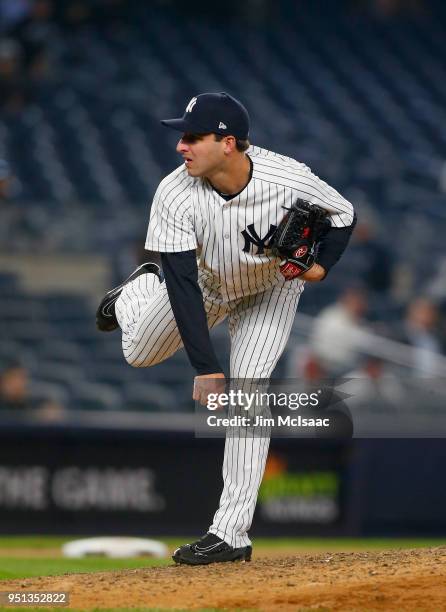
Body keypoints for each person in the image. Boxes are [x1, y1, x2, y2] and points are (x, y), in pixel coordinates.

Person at [96, 92, 356, 564]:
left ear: (228, 142)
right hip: (206, 284)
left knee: (248, 397)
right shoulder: (174, 193)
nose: (181, 146)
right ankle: (134, 292)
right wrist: (206, 366)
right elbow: (182, 283)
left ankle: (230, 533)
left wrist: (319, 267)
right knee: (138, 352)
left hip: (270, 290)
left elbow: (344, 213)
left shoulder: (287, 177)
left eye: (193, 137)